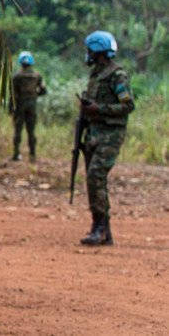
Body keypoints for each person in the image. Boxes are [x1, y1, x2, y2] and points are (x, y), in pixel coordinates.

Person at [77, 30, 134, 246]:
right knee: (94, 180)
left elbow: (127, 106)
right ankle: (103, 230)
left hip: (110, 134)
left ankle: (99, 228)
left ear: (98, 51)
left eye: (90, 50)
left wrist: (98, 109)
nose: (88, 54)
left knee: (95, 176)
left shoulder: (117, 75)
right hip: (94, 133)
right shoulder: (96, 75)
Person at [9, 51, 45, 162]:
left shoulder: (16, 77)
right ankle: (32, 155)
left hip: (20, 105)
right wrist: (34, 96)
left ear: (20, 62)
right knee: (31, 131)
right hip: (32, 106)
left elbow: (13, 95)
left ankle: (16, 154)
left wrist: (10, 108)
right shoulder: (37, 76)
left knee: (18, 130)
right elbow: (43, 90)